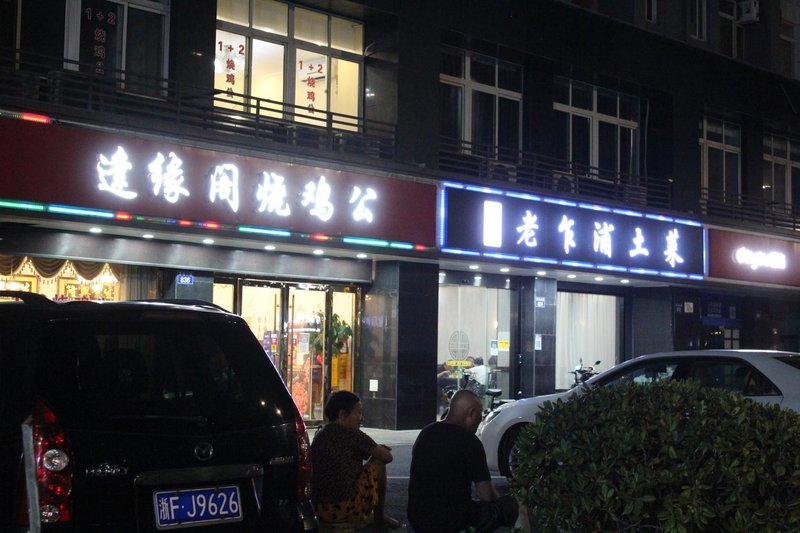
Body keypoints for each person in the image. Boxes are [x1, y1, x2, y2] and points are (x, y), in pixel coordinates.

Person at [407, 390, 528, 533]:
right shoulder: (470, 442)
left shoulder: (426, 433)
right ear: (471, 412)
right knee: (515, 505)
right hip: (450, 522)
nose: (481, 419)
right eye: (480, 413)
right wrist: (501, 506)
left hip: (417, 519)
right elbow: (486, 495)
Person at [310, 390, 405, 529]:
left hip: (320, 509)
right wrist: (377, 450)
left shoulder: (320, 434)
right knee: (378, 463)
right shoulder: (350, 432)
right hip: (343, 507)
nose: (361, 418)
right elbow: (387, 456)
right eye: (359, 413)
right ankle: (379, 517)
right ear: (342, 415)